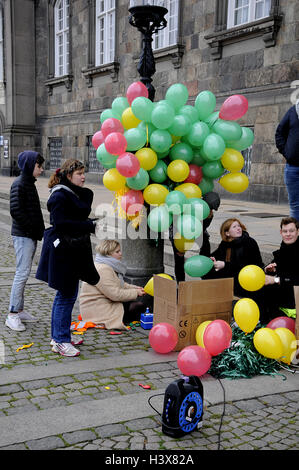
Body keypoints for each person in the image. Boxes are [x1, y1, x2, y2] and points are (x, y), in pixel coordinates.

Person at [36, 159, 100, 357]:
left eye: (84, 173)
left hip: (73, 250)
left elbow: (74, 219)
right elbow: (61, 223)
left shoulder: (73, 193)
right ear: (69, 175)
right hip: (64, 251)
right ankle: (60, 340)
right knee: (65, 295)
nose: (83, 177)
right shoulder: (60, 195)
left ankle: (61, 335)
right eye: (80, 173)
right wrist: (88, 225)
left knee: (68, 294)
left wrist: (87, 222)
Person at [5, 151, 45, 332]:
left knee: (24, 272)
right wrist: (32, 229)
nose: (41, 170)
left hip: (29, 234)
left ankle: (19, 310)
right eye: (39, 166)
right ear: (30, 165)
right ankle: (12, 315)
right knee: (21, 273)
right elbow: (16, 212)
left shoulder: (29, 183)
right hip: (23, 235)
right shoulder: (20, 184)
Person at [79, 239, 153, 330]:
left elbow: (119, 284)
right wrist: (136, 292)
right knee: (140, 307)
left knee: (140, 306)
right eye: (117, 252)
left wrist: (136, 288)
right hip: (99, 311)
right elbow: (115, 294)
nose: (121, 253)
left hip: (100, 305)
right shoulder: (103, 269)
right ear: (108, 254)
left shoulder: (103, 264)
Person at [203, 218, 264, 299]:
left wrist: (225, 265)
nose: (238, 228)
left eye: (239, 226)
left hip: (249, 275)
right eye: (234, 227)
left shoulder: (249, 242)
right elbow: (217, 255)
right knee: (208, 271)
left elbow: (245, 266)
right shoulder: (225, 243)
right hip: (234, 273)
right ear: (227, 233)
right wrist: (212, 260)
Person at [169, 191, 221, 283]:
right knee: (179, 259)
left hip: (198, 231)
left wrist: (207, 218)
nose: (210, 211)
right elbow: (176, 225)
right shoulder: (189, 207)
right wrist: (179, 247)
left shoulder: (209, 214)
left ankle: (206, 278)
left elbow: (202, 229)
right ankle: (180, 284)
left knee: (206, 248)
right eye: (209, 208)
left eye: (212, 209)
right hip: (179, 233)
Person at [263, 217, 299, 321]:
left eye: (291, 231)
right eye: (285, 231)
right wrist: (269, 269)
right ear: (281, 232)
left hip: (295, 299)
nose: (288, 234)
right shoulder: (283, 249)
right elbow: (278, 267)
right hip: (283, 296)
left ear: (298, 231)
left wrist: (275, 279)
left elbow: (296, 278)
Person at [275, 100, 299, 221]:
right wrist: (287, 153)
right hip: (293, 168)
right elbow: (279, 133)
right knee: (295, 206)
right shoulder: (293, 111)